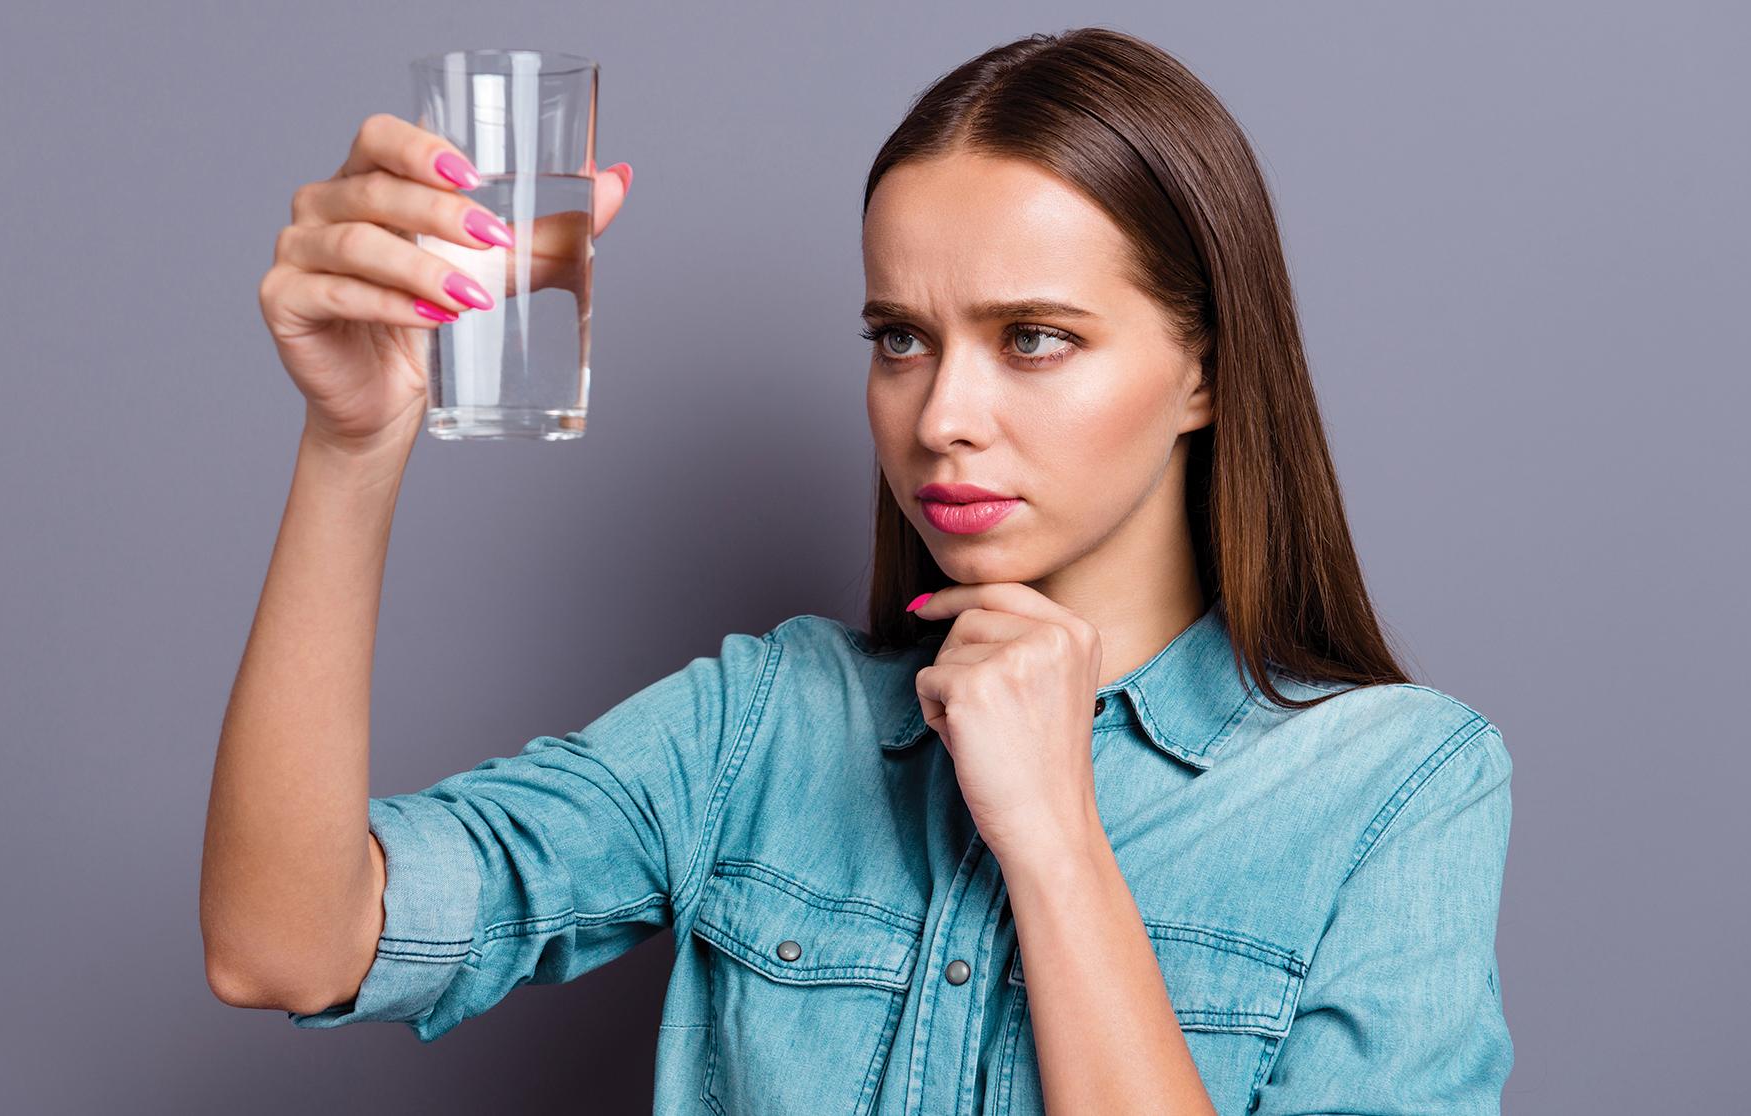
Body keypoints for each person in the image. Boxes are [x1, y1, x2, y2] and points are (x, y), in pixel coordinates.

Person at [201, 26, 1514, 1116]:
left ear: (1205, 369)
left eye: (1036, 338)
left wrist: (1055, 844)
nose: (942, 413)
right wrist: (351, 444)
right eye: (900, 337)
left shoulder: (1394, 789)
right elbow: (287, 945)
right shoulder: (765, 724)